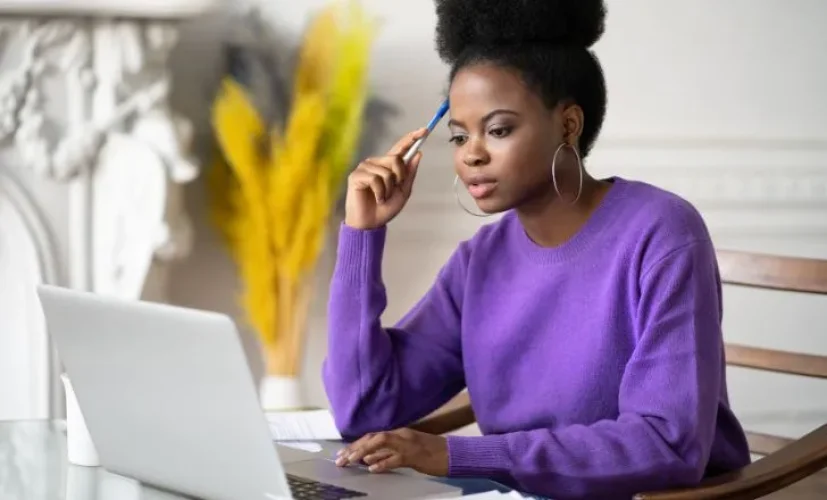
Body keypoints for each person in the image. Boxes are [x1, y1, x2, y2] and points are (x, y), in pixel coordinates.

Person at [322, 0, 752, 498]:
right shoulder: (479, 261)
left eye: (498, 130)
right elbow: (363, 409)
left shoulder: (662, 233)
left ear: (568, 125)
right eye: (459, 136)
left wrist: (458, 455)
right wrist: (361, 235)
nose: (472, 153)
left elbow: (667, 443)